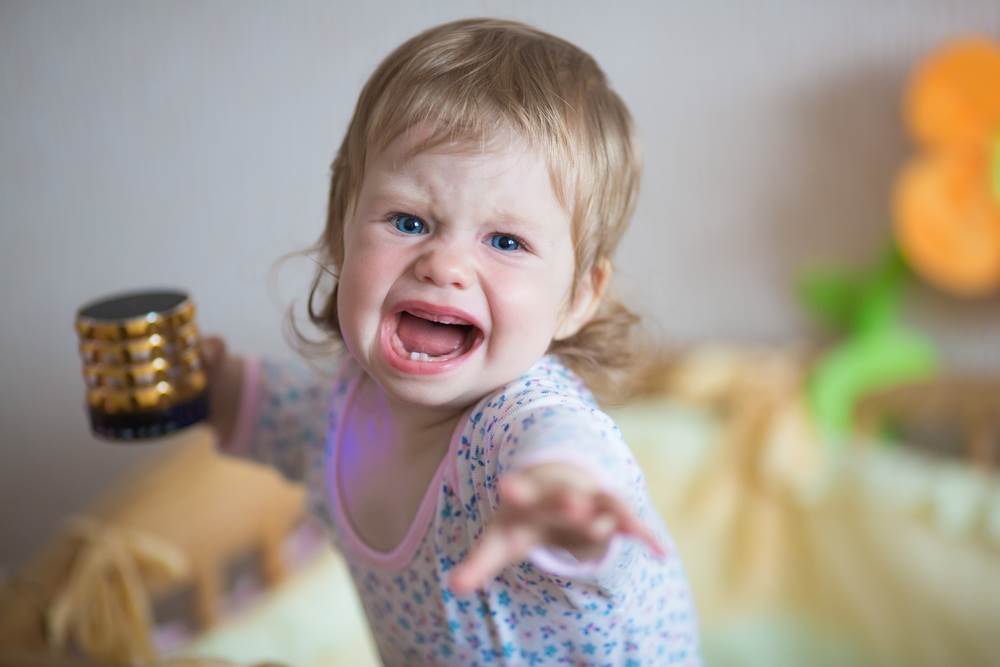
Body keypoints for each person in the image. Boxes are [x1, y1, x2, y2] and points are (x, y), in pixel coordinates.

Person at [203, 17, 700, 666]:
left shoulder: (512, 428)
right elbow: (299, 419)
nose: (444, 264)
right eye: (409, 221)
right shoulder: (350, 403)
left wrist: (562, 495)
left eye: (505, 241)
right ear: (340, 232)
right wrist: (215, 388)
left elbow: (557, 442)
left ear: (578, 296)